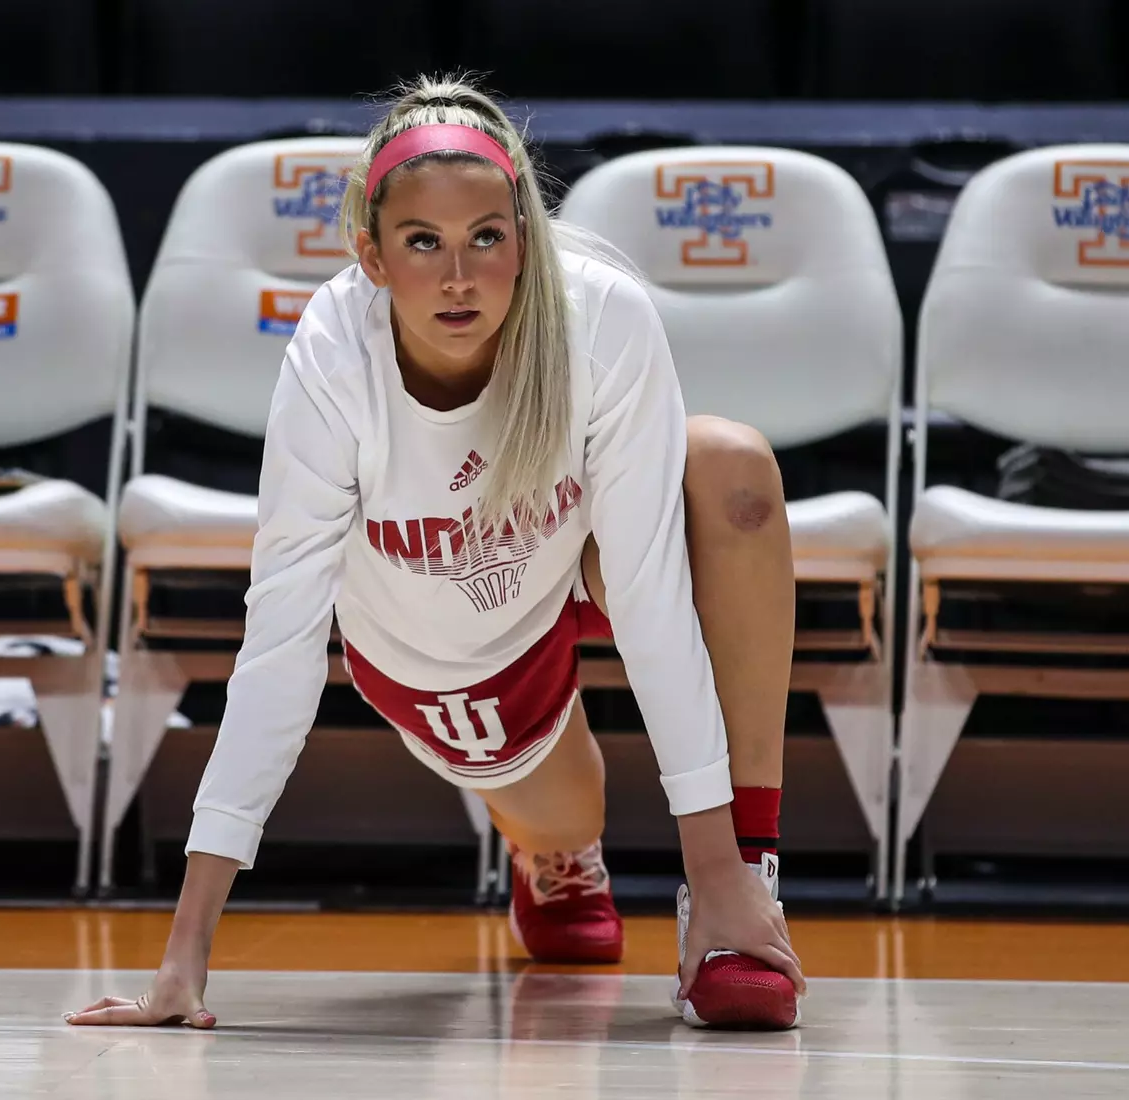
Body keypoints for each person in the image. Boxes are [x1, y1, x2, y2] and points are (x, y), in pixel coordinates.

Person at [66, 75, 807, 1031]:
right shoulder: (334, 352)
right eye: (423, 243)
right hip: (447, 644)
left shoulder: (601, 316)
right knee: (566, 810)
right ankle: (553, 854)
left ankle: (746, 889)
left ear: (524, 240)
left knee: (731, 469)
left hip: (578, 559)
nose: (457, 276)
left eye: (486, 239)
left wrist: (714, 873)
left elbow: (653, 596)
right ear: (370, 255)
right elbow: (282, 643)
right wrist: (185, 957)